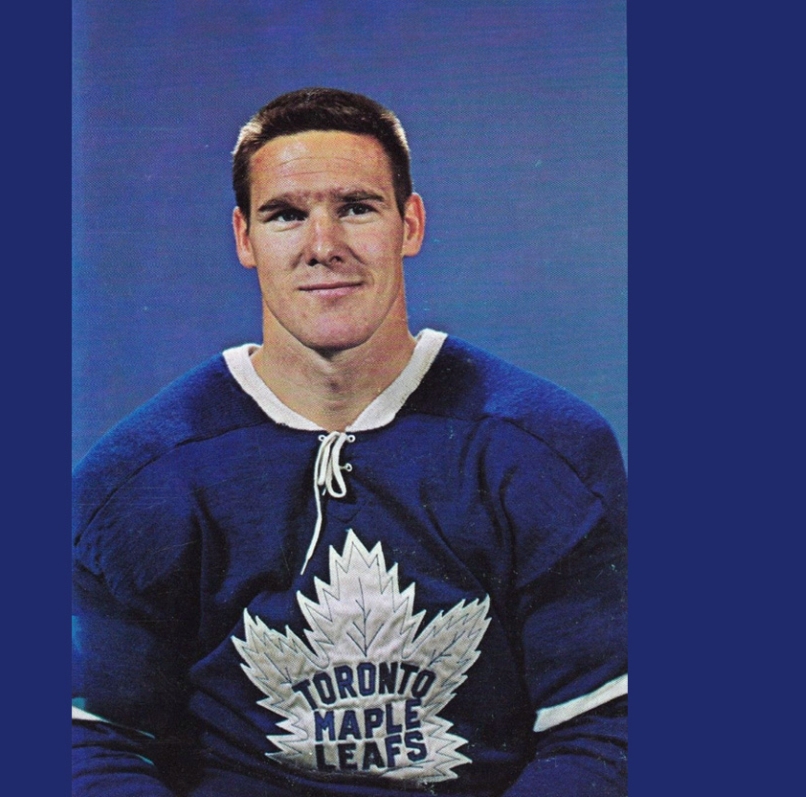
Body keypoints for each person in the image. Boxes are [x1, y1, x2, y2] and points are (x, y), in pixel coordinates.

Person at [72, 87, 628, 797]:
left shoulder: (544, 451)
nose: (323, 246)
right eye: (285, 214)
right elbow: (93, 739)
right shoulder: (140, 478)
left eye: (357, 208)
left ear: (410, 223)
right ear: (244, 238)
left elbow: (602, 727)